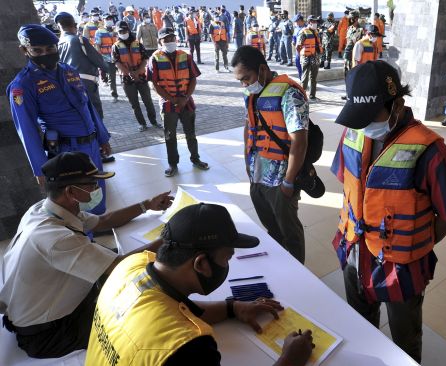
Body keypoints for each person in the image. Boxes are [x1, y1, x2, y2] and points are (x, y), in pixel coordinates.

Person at [330, 60, 446, 363]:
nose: (364, 125)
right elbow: (347, 182)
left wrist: (414, 243)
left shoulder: (431, 152)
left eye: (371, 116)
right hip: (355, 249)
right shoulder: (353, 132)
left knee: (404, 337)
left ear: (398, 104)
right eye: (359, 116)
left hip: (401, 265)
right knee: (358, 323)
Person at [84, 203, 315, 365]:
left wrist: (233, 307)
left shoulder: (130, 265)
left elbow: (172, 312)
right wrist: (290, 360)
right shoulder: (189, 348)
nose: (227, 265)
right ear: (201, 264)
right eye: (226, 258)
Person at [0, 151, 173, 358]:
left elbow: (104, 220)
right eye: (92, 184)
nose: (96, 189)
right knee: (140, 315)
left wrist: (147, 205)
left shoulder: (46, 209)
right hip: (48, 333)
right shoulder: (56, 238)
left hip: (39, 310)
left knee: (117, 271)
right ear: (71, 191)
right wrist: (173, 236)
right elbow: (120, 266)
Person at [8, 25, 112, 214]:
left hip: (91, 145)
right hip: (66, 153)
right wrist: (41, 169)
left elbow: (87, 106)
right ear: (25, 50)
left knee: (96, 194)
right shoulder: (23, 85)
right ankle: (83, 239)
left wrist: (103, 138)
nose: (45, 54)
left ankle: (98, 231)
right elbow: (27, 129)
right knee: (77, 203)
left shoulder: (69, 71)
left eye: (50, 49)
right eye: (37, 50)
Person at [231, 46, 309, 264]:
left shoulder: (290, 93)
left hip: (281, 178)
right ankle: (279, 262)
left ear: (262, 70)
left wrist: (289, 182)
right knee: (271, 226)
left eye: (246, 78)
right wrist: (247, 162)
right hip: (257, 173)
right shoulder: (251, 93)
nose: (244, 84)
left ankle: (296, 271)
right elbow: (249, 126)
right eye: (240, 81)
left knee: (289, 230)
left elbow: (299, 141)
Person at [148, 27, 210, 177]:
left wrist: (185, 97)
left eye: (172, 38)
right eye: (166, 39)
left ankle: (196, 159)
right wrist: (173, 99)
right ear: (160, 41)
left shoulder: (185, 56)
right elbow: (153, 84)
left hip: (186, 102)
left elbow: (193, 78)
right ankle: (172, 164)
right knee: (170, 135)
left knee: (191, 134)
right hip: (168, 104)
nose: (170, 41)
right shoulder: (154, 58)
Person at [56, 12, 109, 120]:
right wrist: (110, 69)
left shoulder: (58, 43)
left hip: (68, 84)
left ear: (59, 26)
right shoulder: (79, 40)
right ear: (74, 25)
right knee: (95, 115)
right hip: (86, 84)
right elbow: (99, 61)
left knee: (80, 114)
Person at [114, 21, 161, 132]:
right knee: (134, 104)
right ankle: (142, 124)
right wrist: (129, 73)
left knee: (148, 101)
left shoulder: (138, 44)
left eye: (124, 31)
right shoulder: (115, 46)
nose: (123, 33)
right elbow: (117, 62)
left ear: (128, 31)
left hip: (141, 77)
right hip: (126, 79)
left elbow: (145, 59)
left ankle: (154, 122)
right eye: (120, 31)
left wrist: (138, 71)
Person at [297, 15, 322, 100]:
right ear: (309, 22)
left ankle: (312, 95)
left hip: (315, 57)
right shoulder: (303, 31)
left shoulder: (316, 32)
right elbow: (298, 46)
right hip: (306, 57)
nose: (315, 23)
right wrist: (300, 55)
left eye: (316, 22)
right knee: (305, 77)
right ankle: (302, 96)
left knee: (314, 78)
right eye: (313, 21)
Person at [95, 14, 119, 103]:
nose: (109, 20)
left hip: (119, 57)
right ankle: (114, 95)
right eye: (107, 19)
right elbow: (97, 45)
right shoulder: (99, 31)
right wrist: (99, 57)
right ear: (103, 20)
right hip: (107, 58)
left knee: (125, 76)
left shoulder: (116, 30)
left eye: (110, 19)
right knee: (112, 77)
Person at [291, 14, 306, 78]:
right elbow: (294, 37)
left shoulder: (307, 28)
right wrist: (293, 41)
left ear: (300, 20)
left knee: (305, 66)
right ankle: (301, 79)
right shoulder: (296, 28)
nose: (296, 23)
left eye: (297, 21)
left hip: (305, 50)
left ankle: (305, 80)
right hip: (298, 50)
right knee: (298, 64)